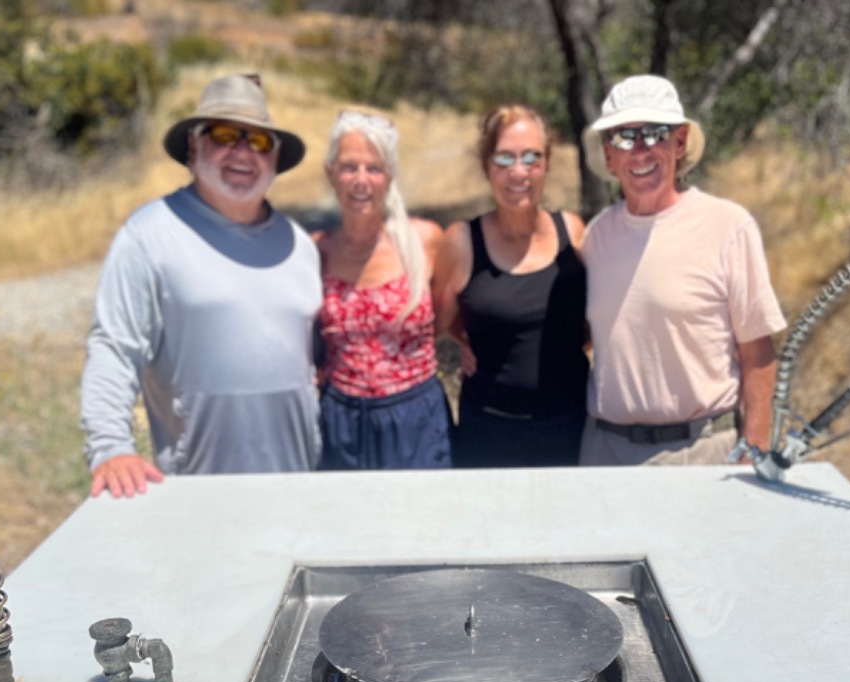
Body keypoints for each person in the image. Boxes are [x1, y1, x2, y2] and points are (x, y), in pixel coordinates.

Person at [80, 74, 322, 498]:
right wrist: (110, 448)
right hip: (197, 493)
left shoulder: (300, 245)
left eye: (260, 142)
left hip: (297, 485)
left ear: (276, 157)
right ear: (193, 148)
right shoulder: (149, 234)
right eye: (226, 135)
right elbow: (115, 348)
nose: (243, 151)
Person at [577, 75, 786, 467]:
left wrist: (754, 449)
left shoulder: (728, 226)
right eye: (624, 137)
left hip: (703, 451)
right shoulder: (597, 237)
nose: (640, 151)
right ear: (608, 156)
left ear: (680, 143)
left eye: (655, 134)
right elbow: (585, 338)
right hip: (605, 451)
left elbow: (757, 352)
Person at [433, 104, 588, 468]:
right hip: (488, 433)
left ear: (547, 164)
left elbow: (595, 319)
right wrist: (465, 338)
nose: (519, 172)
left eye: (532, 157)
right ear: (487, 166)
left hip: (570, 428)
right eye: (505, 158)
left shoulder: (574, 232)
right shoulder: (461, 242)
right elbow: (436, 323)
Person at [313, 110, 449, 470]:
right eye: (348, 167)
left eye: (373, 168)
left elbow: (452, 314)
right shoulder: (317, 251)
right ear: (330, 174)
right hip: (341, 422)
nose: (361, 180)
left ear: (389, 177)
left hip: (416, 420)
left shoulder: (426, 241)